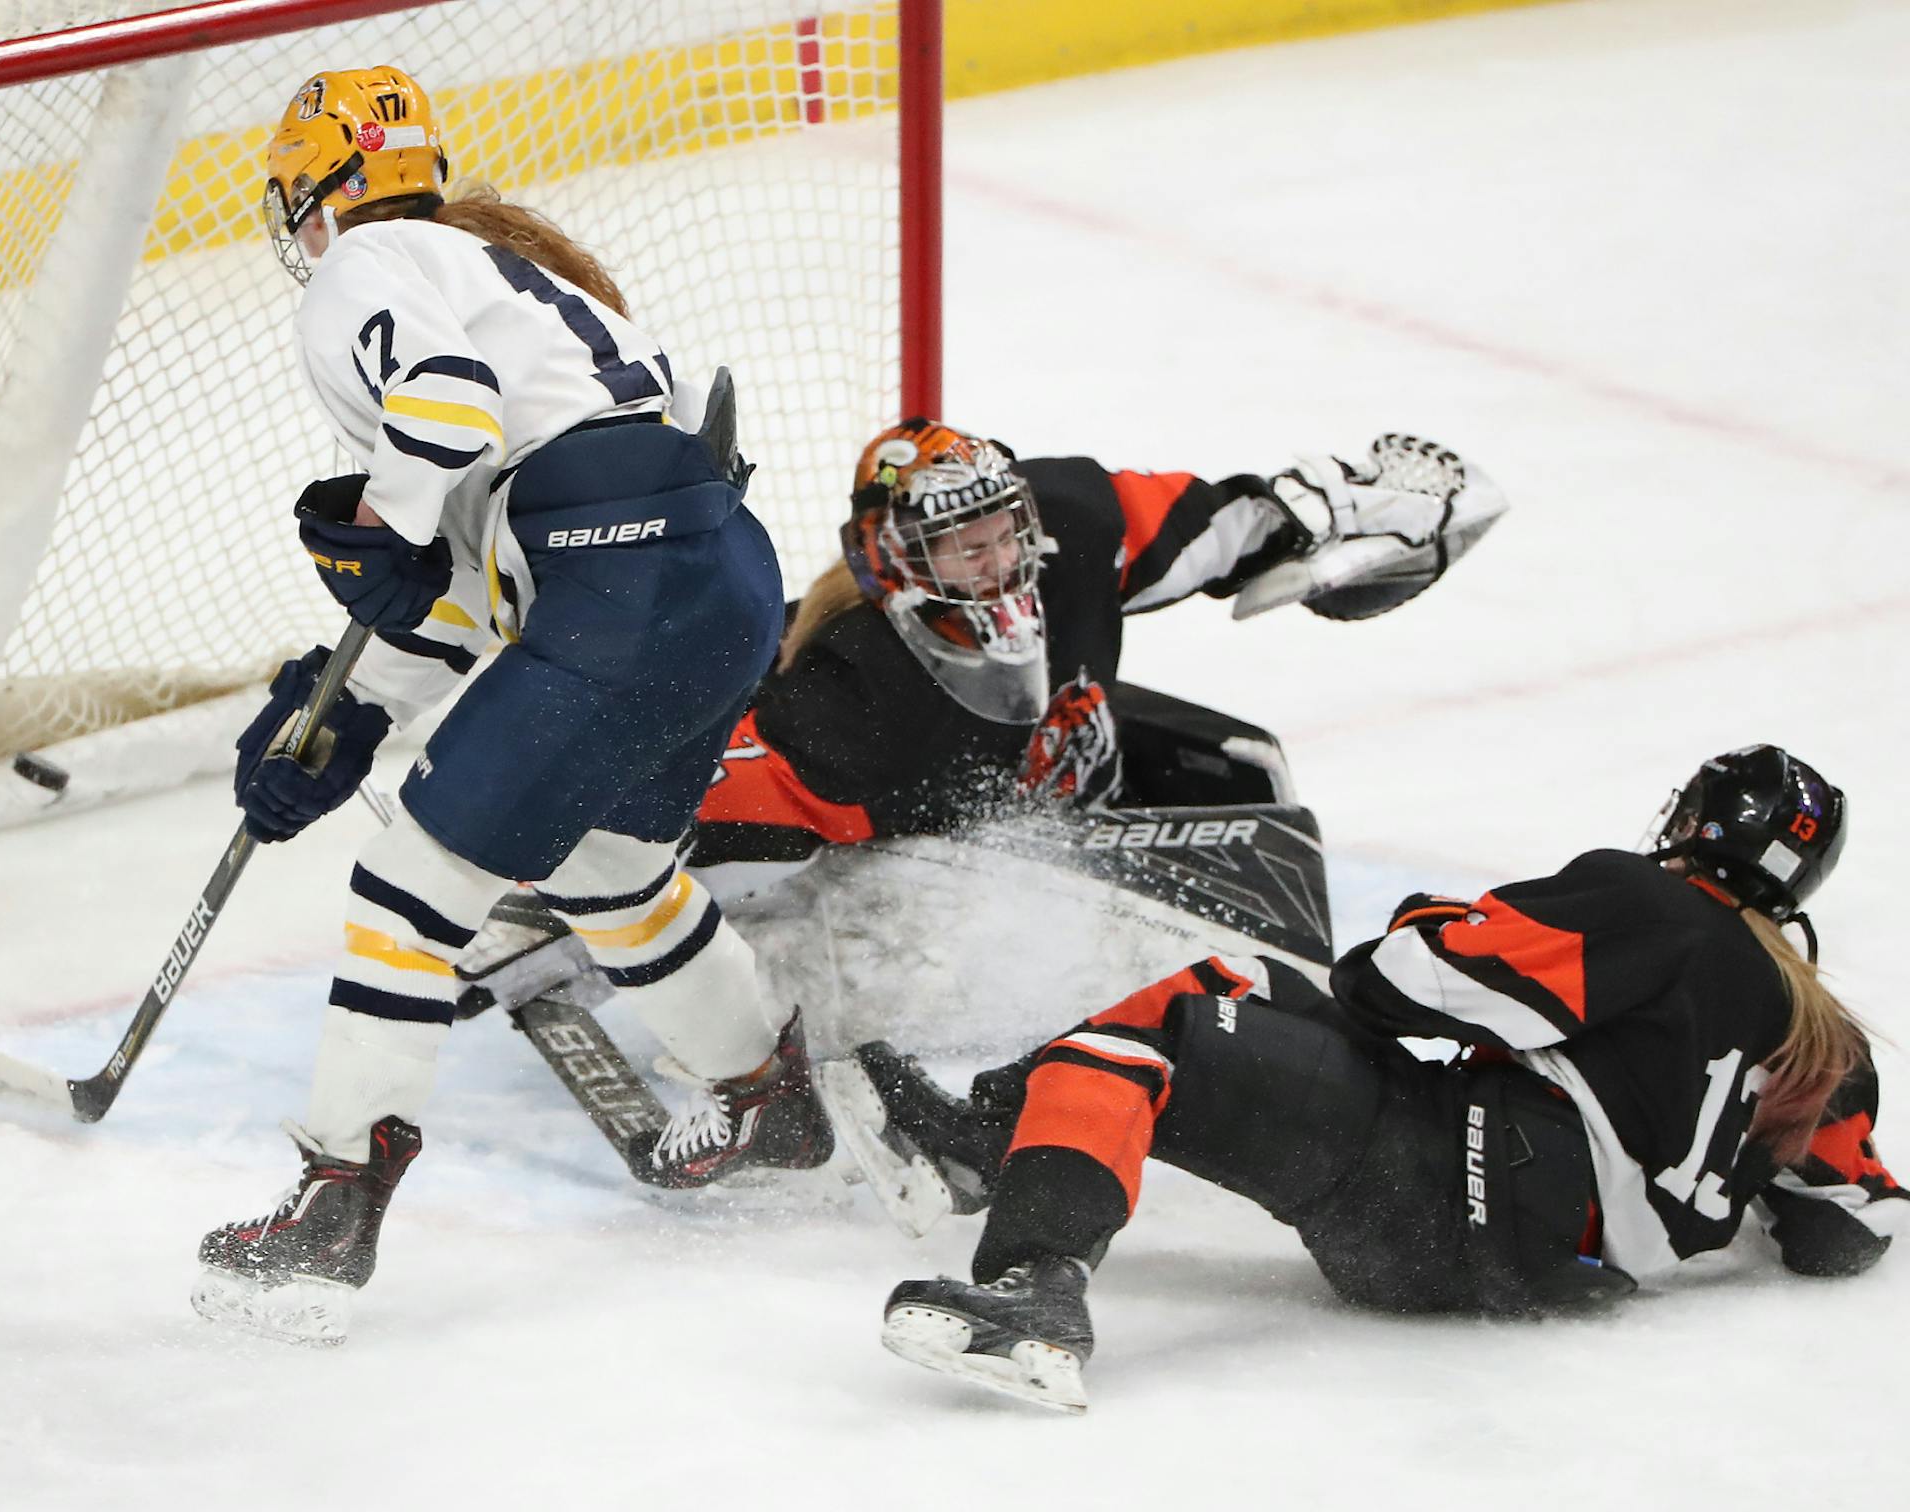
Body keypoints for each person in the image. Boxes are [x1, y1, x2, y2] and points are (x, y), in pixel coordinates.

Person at [192, 68, 831, 1342]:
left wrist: (375, 525)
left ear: (322, 190)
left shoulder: (362, 268)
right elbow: (478, 587)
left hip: (623, 571)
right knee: (606, 868)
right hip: (709, 577)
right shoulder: (498, 278)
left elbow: (437, 415)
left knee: (408, 887)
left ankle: (335, 1191)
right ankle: (767, 1091)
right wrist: (340, 720)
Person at [822, 745, 1902, 1412]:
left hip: (1436, 1190)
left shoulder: (1649, 907)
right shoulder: (1829, 1045)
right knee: (1231, 984)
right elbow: (1844, 1229)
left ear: (1694, 823)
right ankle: (985, 1145)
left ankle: (1030, 1291)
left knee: (1157, 1040)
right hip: (1524, 1270)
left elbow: (1394, 982)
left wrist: (1435, 921)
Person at [688, 420, 1506, 894]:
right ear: (894, 560)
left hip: (1091, 825)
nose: (998, 564)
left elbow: (1231, 528)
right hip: (943, 889)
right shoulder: (846, 697)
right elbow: (695, 803)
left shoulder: (1076, 528)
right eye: (962, 549)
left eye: (1004, 533)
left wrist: (1333, 511)